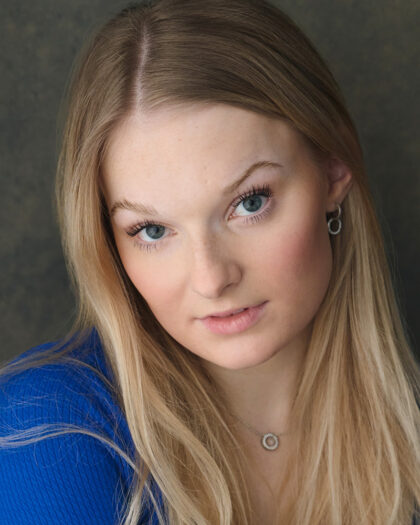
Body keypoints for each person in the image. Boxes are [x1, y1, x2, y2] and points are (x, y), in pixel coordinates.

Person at [0, 0, 419, 523]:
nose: (212, 278)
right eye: (153, 230)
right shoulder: (45, 431)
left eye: (250, 202)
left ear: (334, 169)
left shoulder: (407, 437)